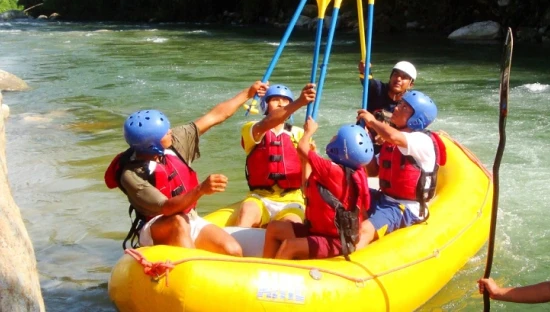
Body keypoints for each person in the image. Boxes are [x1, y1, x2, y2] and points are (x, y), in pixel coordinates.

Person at [103, 82, 313, 255]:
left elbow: (215, 116)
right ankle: (189, 266)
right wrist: (201, 190)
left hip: (190, 218)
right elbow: (167, 208)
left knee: (232, 250)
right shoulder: (131, 174)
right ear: (153, 145)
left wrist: (246, 94)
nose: (171, 133)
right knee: (177, 222)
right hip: (157, 224)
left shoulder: (175, 141)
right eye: (165, 133)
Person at [262, 119, 372, 260]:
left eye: (336, 137)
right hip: (316, 231)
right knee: (274, 228)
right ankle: (265, 266)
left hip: (335, 240)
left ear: (342, 148)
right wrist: (307, 159)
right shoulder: (351, 170)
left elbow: (302, 147)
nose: (333, 138)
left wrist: (308, 132)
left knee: (290, 245)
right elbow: (306, 186)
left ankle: (271, 278)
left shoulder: (331, 170)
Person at [354, 90, 446, 250]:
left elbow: (394, 136)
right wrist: (366, 143)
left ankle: (347, 265)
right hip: (385, 198)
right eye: (399, 104)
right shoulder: (392, 142)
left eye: (404, 107)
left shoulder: (421, 140)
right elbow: (374, 171)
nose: (397, 108)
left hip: (407, 208)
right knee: (348, 189)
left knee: (365, 229)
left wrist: (373, 122)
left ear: (417, 119)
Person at [232, 83, 316, 228]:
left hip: (292, 199)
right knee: (246, 215)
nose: (281, 103)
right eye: (275, 99)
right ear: (265, 105)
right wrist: (299, 102)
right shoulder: (252, 129)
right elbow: (266, 123)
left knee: (292, 225)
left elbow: (309, 175)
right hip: (259, 197)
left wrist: (307, 152)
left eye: (285, 100)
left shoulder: (300, 134)